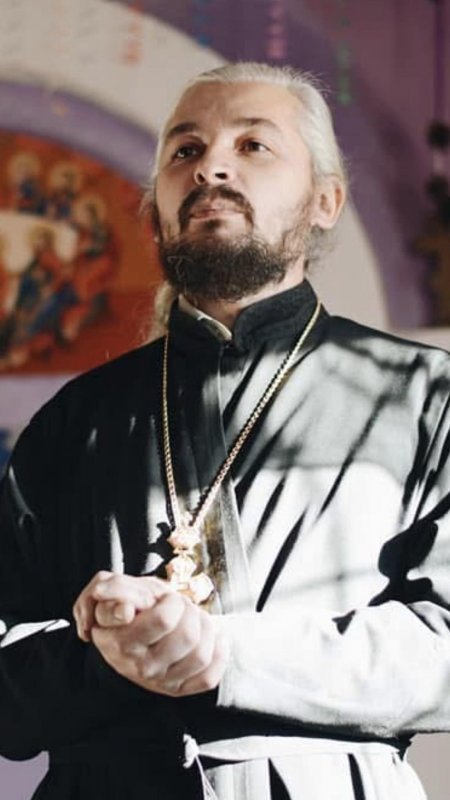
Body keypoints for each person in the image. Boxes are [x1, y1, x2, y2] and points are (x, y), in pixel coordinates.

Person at [0, 61, 450, 800]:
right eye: (185, 150)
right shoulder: (74, 419)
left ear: (326, 201)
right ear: (154, 211)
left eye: (252, 145)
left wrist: (225, 651)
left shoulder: (424, 395)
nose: (210, 167)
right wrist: (110, 653)